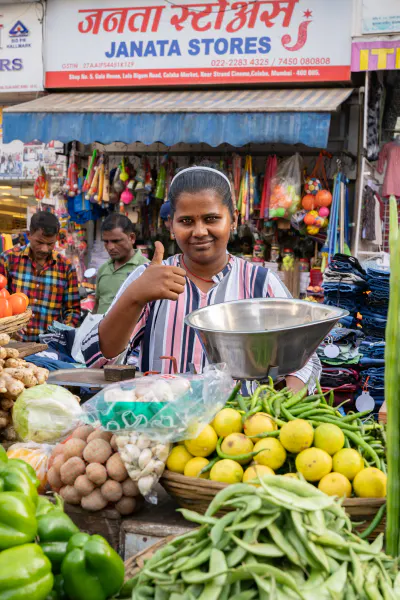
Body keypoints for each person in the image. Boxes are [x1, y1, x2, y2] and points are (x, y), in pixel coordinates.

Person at [83, 166, 321, 392]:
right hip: (162, 423)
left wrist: (284, 400)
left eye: (211, 219)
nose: (199, 232)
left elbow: (305, 360)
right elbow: (99, 359)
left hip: (239, 431)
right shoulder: (150, 277)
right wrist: (134, 297)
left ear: (234, 220)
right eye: (186, 221)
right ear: (171, 225)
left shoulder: (262, 283)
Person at [0, 211, 80, 342]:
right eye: (39, 242)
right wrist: (9, 328)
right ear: (28, 235)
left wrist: (60, 336)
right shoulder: (8, 259)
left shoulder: (66, 267)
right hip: (12, 344)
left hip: (50, 349)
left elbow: (72, 310)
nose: (44, 249)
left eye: (50, 244)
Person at [94, 213, 149, 315]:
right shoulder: (103, 269)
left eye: (116, 241)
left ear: (131, 238)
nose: (110, 247)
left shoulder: (146, 269)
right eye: (106, 242)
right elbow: (98, 304)